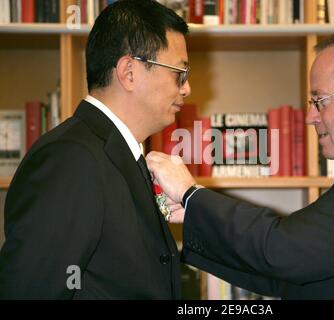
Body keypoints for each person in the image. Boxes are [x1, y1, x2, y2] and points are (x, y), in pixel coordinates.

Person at [147, 23, 334, 299]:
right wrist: (196, 213)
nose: (309, 117)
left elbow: (285, 251)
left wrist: (192, 194)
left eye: (319, 101)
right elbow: (297, 277)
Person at [0, 0, 191, 299]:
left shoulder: (116, 153)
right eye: (178, 73)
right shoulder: (69, 159)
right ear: (129, 72)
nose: (186, 88)